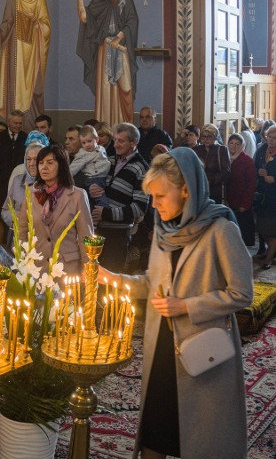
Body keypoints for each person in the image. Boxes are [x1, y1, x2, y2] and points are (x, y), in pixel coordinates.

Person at [99, 148, 253, 459]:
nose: (153, 204)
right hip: (161, 350)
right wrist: (111, 279)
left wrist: (187, 306)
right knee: (155, 431)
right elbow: (151, 282)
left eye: (160, 196)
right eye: (151, 197)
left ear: (187, 189)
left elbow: (242, 293)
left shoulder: (220, 229)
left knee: (199, 436)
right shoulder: (164, 230)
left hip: (202, 349)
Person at [77, 0, 139, 125]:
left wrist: (119, 36)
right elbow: (85, 18)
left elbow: (132, 20)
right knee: (105, 88)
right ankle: (105, 127)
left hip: (120, 47)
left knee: (125, 87)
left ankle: (125, 125)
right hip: (104, 48)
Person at [0, 0, 51, 124]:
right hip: (14, 50)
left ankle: (30, 124)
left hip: (31, 53)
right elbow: (7, 22)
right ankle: (14, 123)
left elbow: (46, 27)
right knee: (14, 87)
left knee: (32, 87)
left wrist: (34, 22)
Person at [19, 145, 94, 277]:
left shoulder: (77, 195)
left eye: (50, 162)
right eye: (41, 163)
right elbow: (22, 232)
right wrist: (24, 262)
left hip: (67, 269)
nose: (44, 167)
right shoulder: (30, 193)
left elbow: (85, 237)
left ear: (61, 165)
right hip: (37, 269)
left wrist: (89, 269)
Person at [90, 122, 150, 273]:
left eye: (121, 141)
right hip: (98, 229)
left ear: (133, 142)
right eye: (115, 140)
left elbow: (139, 208)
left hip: (118, 234)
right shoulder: (109, 160)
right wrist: (92, 188)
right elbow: (97, 181)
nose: (115, 144)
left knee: (111, 278)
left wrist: (106, 213)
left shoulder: (141, 168)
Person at [2, 132, 47, 237]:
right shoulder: (18, 181)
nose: (31, 164)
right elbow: (5, 210)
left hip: (41, 238)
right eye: (28, 159)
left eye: (36, 159)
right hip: (17, 235)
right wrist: (15, 217)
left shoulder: (51, 184)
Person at [226, 133, 257, 246]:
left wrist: (245, 204)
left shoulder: (247, 161)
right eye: (231, 143)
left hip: (241, 202)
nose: (234, 146)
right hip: (228, 200)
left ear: (242, 146)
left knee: (243, 233)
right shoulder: (225, 158)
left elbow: (251, 184)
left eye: (237, 144)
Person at [69, 125, 111, 206]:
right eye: (84, 143)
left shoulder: (101, 149)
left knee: (98, 198)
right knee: (101, 199)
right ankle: (103, 213)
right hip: (92, 179)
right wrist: (67, 174)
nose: (87, 145)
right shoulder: (83, 153)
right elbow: (74, 166)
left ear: (97, 139)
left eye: (89, 141)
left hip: (103, 178)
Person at [254, 125, 276, 269]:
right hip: (261, 194)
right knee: (261, 227)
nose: (272, 140)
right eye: (270, 137)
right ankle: (272, 252)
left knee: (272, 229)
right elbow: (254, 166)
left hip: (274, 197)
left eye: (275, 138)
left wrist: (274, 179)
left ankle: (268, 258)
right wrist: (259, 171)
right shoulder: (262, 149)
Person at [192, 125, 231, 204]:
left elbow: (226, 171)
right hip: (199, 189)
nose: (206, 139)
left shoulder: (221, 150)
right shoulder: (197, 149)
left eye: (209, 137)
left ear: (215, 137)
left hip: (215, 190)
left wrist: (211, 181)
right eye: (204, 136)